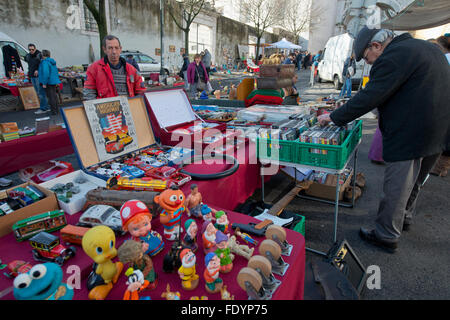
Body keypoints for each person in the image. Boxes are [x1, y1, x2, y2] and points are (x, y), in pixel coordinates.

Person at [318, 26, 450, 253]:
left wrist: (334, 117)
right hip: (440, 127)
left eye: (366, 58)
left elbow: (370, 96)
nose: (367, 63)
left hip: (411, 131)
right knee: (417, 177)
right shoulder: (426, 48)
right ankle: (405, 216)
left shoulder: (394, 57)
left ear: (376, 46)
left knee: (397, 185)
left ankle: (386, 234)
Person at [83, 35, 145, 100]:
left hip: (128, 108)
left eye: (116, 48)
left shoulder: (132, 70)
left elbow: (141, 92)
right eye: (110, 48)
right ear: (104, 49)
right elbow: (89, 94)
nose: (114, 52)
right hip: (105, 109)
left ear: (120, 49)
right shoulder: (94, 69)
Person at [25, 44, 49, 114]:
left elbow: (43, 64)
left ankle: (43, 108)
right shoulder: (28, 55)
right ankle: (45, 107)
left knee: (41, 93)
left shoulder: (39, 55)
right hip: (32, 76)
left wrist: (38, 70)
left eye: (32, 49)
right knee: (38, 93)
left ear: (35, 48)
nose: (31, 51)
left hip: (39, 76)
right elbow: (30, 65)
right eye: (29, 50)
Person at [38, 50, 61, 115]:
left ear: (43, 55)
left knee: (51, 97)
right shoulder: (51, 61)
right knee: (54, 96)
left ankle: (54, 112)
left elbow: (46, 73)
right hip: (54, 81)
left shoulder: (45, 62)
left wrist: (44, 83)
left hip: (48, 81)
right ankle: (57, 110)